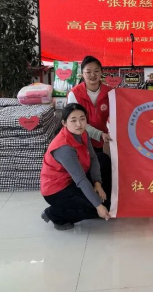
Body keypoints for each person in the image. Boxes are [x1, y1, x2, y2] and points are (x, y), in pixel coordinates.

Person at [40, 103, 112, 231]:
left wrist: (97, 183)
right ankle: (54, 213)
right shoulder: (64, 148)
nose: (79, 124)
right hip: (58, 190)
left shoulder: (83, 133)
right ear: (64, 123)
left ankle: (102, 199)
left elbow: (93, 158)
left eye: (82, 119)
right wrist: (98, 205)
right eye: (73, 120)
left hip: (73, 178)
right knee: (96, 208)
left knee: (103, 159)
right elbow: (81, 180)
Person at [67, 56, 112, 150]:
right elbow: (77, 122)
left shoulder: (110, 93)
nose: (93, 75)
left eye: (96, 71)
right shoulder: (74, 94)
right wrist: (99, 134)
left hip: (106, 140)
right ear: (82, 74)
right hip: (81, 141)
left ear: (101, 72)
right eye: (88, 72)